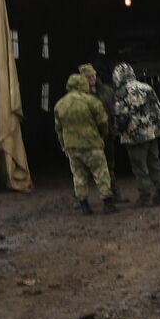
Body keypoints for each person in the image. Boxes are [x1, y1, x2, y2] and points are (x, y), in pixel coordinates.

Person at [53, 73, 117, 215]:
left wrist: (64, 144)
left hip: (72, 147)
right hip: (92, 144)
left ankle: (84, 205)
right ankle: (107, 203)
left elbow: (58, 128)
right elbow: (103, 122)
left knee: (79, 176)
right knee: (101, 172)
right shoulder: (92, 102)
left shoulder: (60, 104)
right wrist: (102, 135)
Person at [111, 62, 160, 206]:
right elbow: (158, 109)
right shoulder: (147, 87)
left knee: (139, 167)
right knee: (154, 163)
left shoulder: (121, 92)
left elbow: (121, 117)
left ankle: (145, 196)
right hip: (152, 133)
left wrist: (118, 131)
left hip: (135, 136)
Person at [77, 62, 121, 201]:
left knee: (110, 164)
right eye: (88, 76)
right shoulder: (78, 95)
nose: (92, 78)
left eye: (93, 75)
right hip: (89, 136)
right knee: (83, 169)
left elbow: (114, 109)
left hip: (106, 133)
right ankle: (80, 198)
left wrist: (113, 128)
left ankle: (114, 192)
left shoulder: (107, 91)